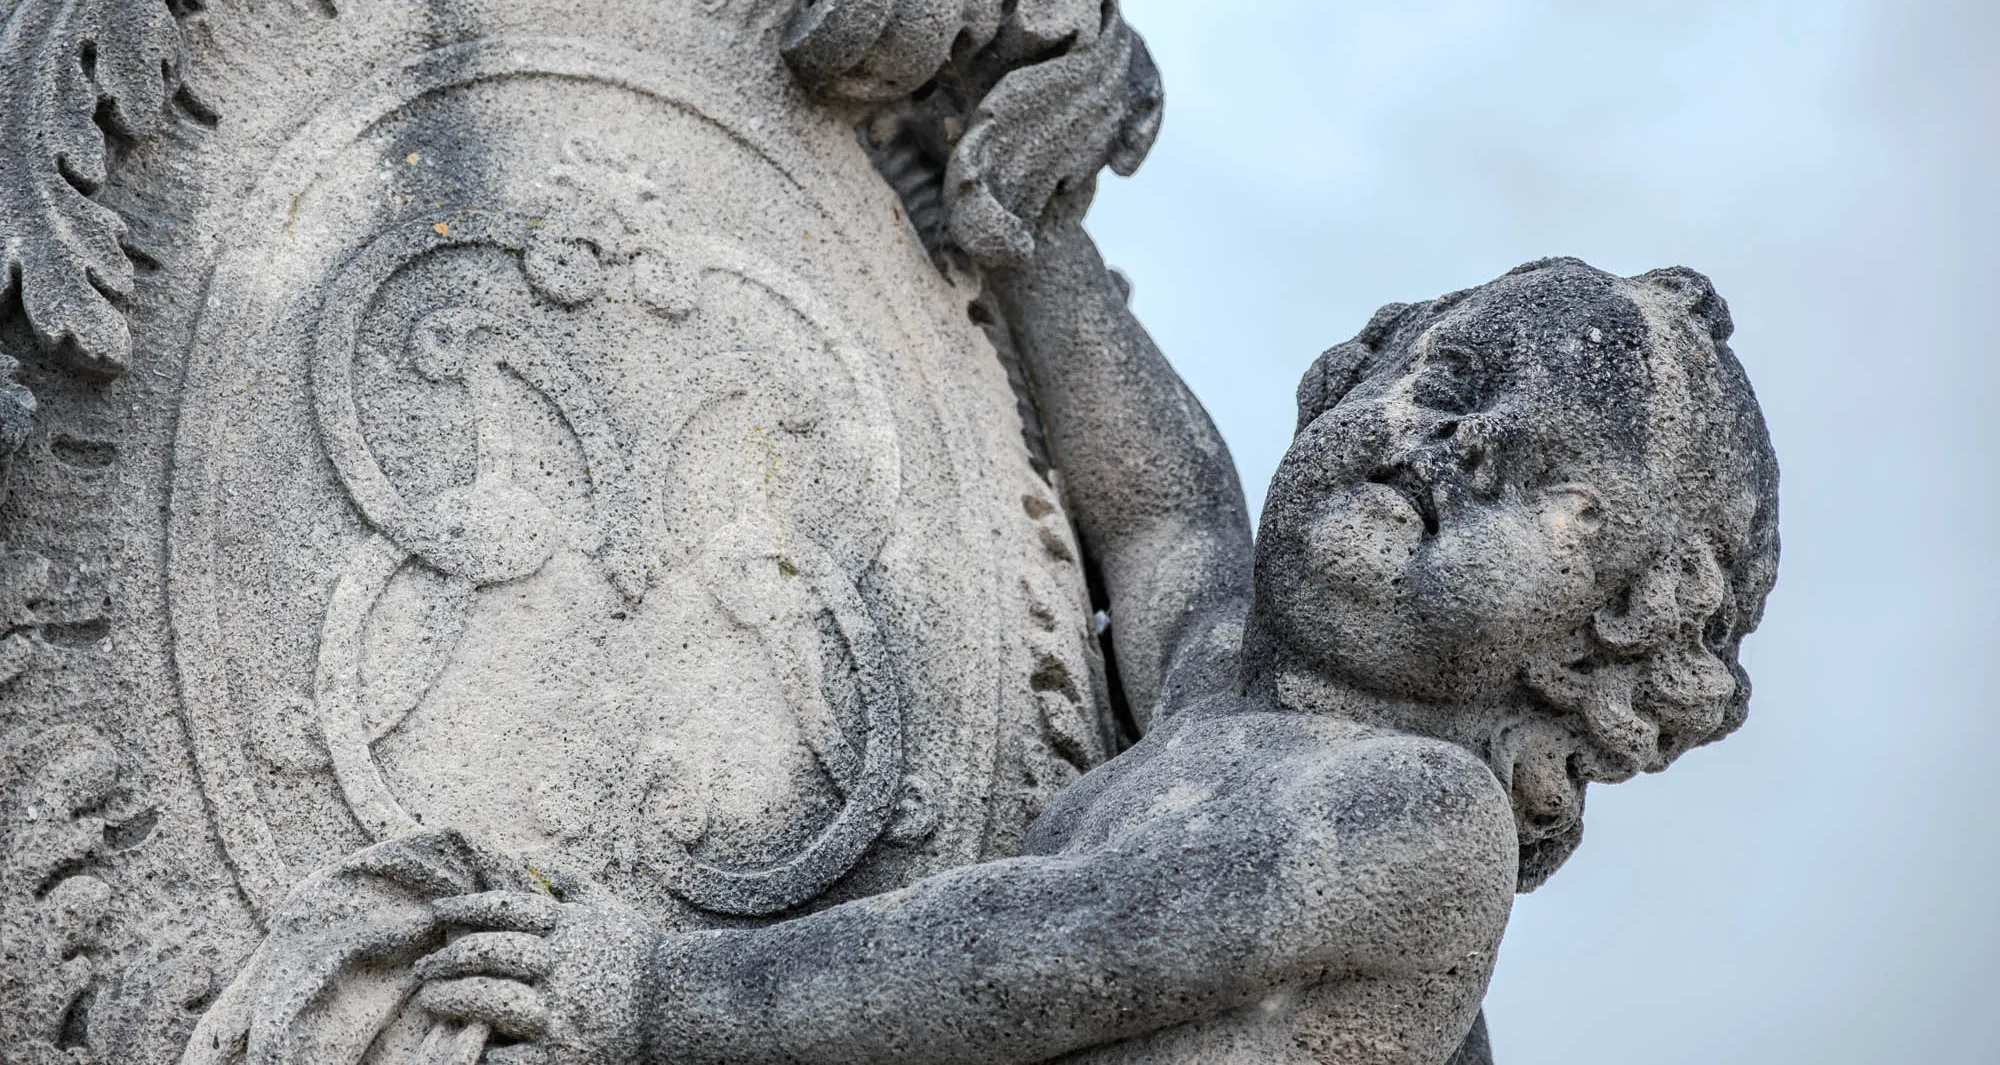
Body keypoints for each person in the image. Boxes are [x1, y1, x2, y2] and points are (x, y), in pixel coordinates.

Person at [409, 215, 1780, 1065]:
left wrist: (660, 997)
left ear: (1593, 655)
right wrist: (1033, 235)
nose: (1453, 449)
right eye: (1453, 381)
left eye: (1541, 487)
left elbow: (1042, 950)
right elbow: (1163, 510)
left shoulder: (1422, 825)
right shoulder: (1227, 692)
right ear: (1357, 375)